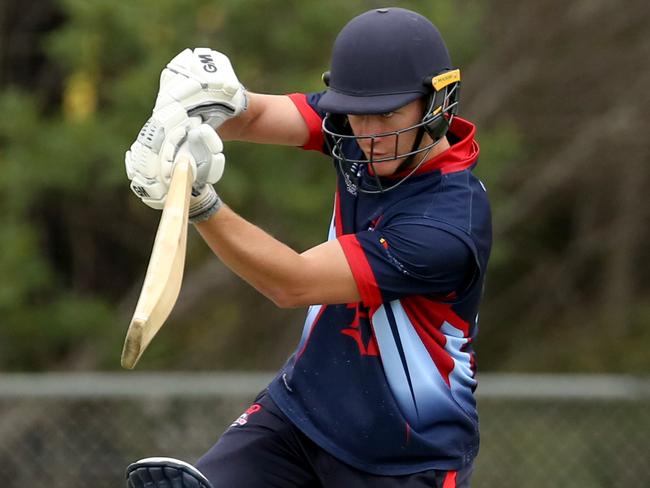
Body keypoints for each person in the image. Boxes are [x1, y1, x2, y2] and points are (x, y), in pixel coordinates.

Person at [124, 7, 491, 488]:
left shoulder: (447, 225)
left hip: (405, 459)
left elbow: (291, 283)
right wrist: (199, 111)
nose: (369, 135)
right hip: (298, 415)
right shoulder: (364, 127)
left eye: (386, 116)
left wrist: (199, 204)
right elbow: (255, 117)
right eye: (357, 116)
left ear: (438, 103)